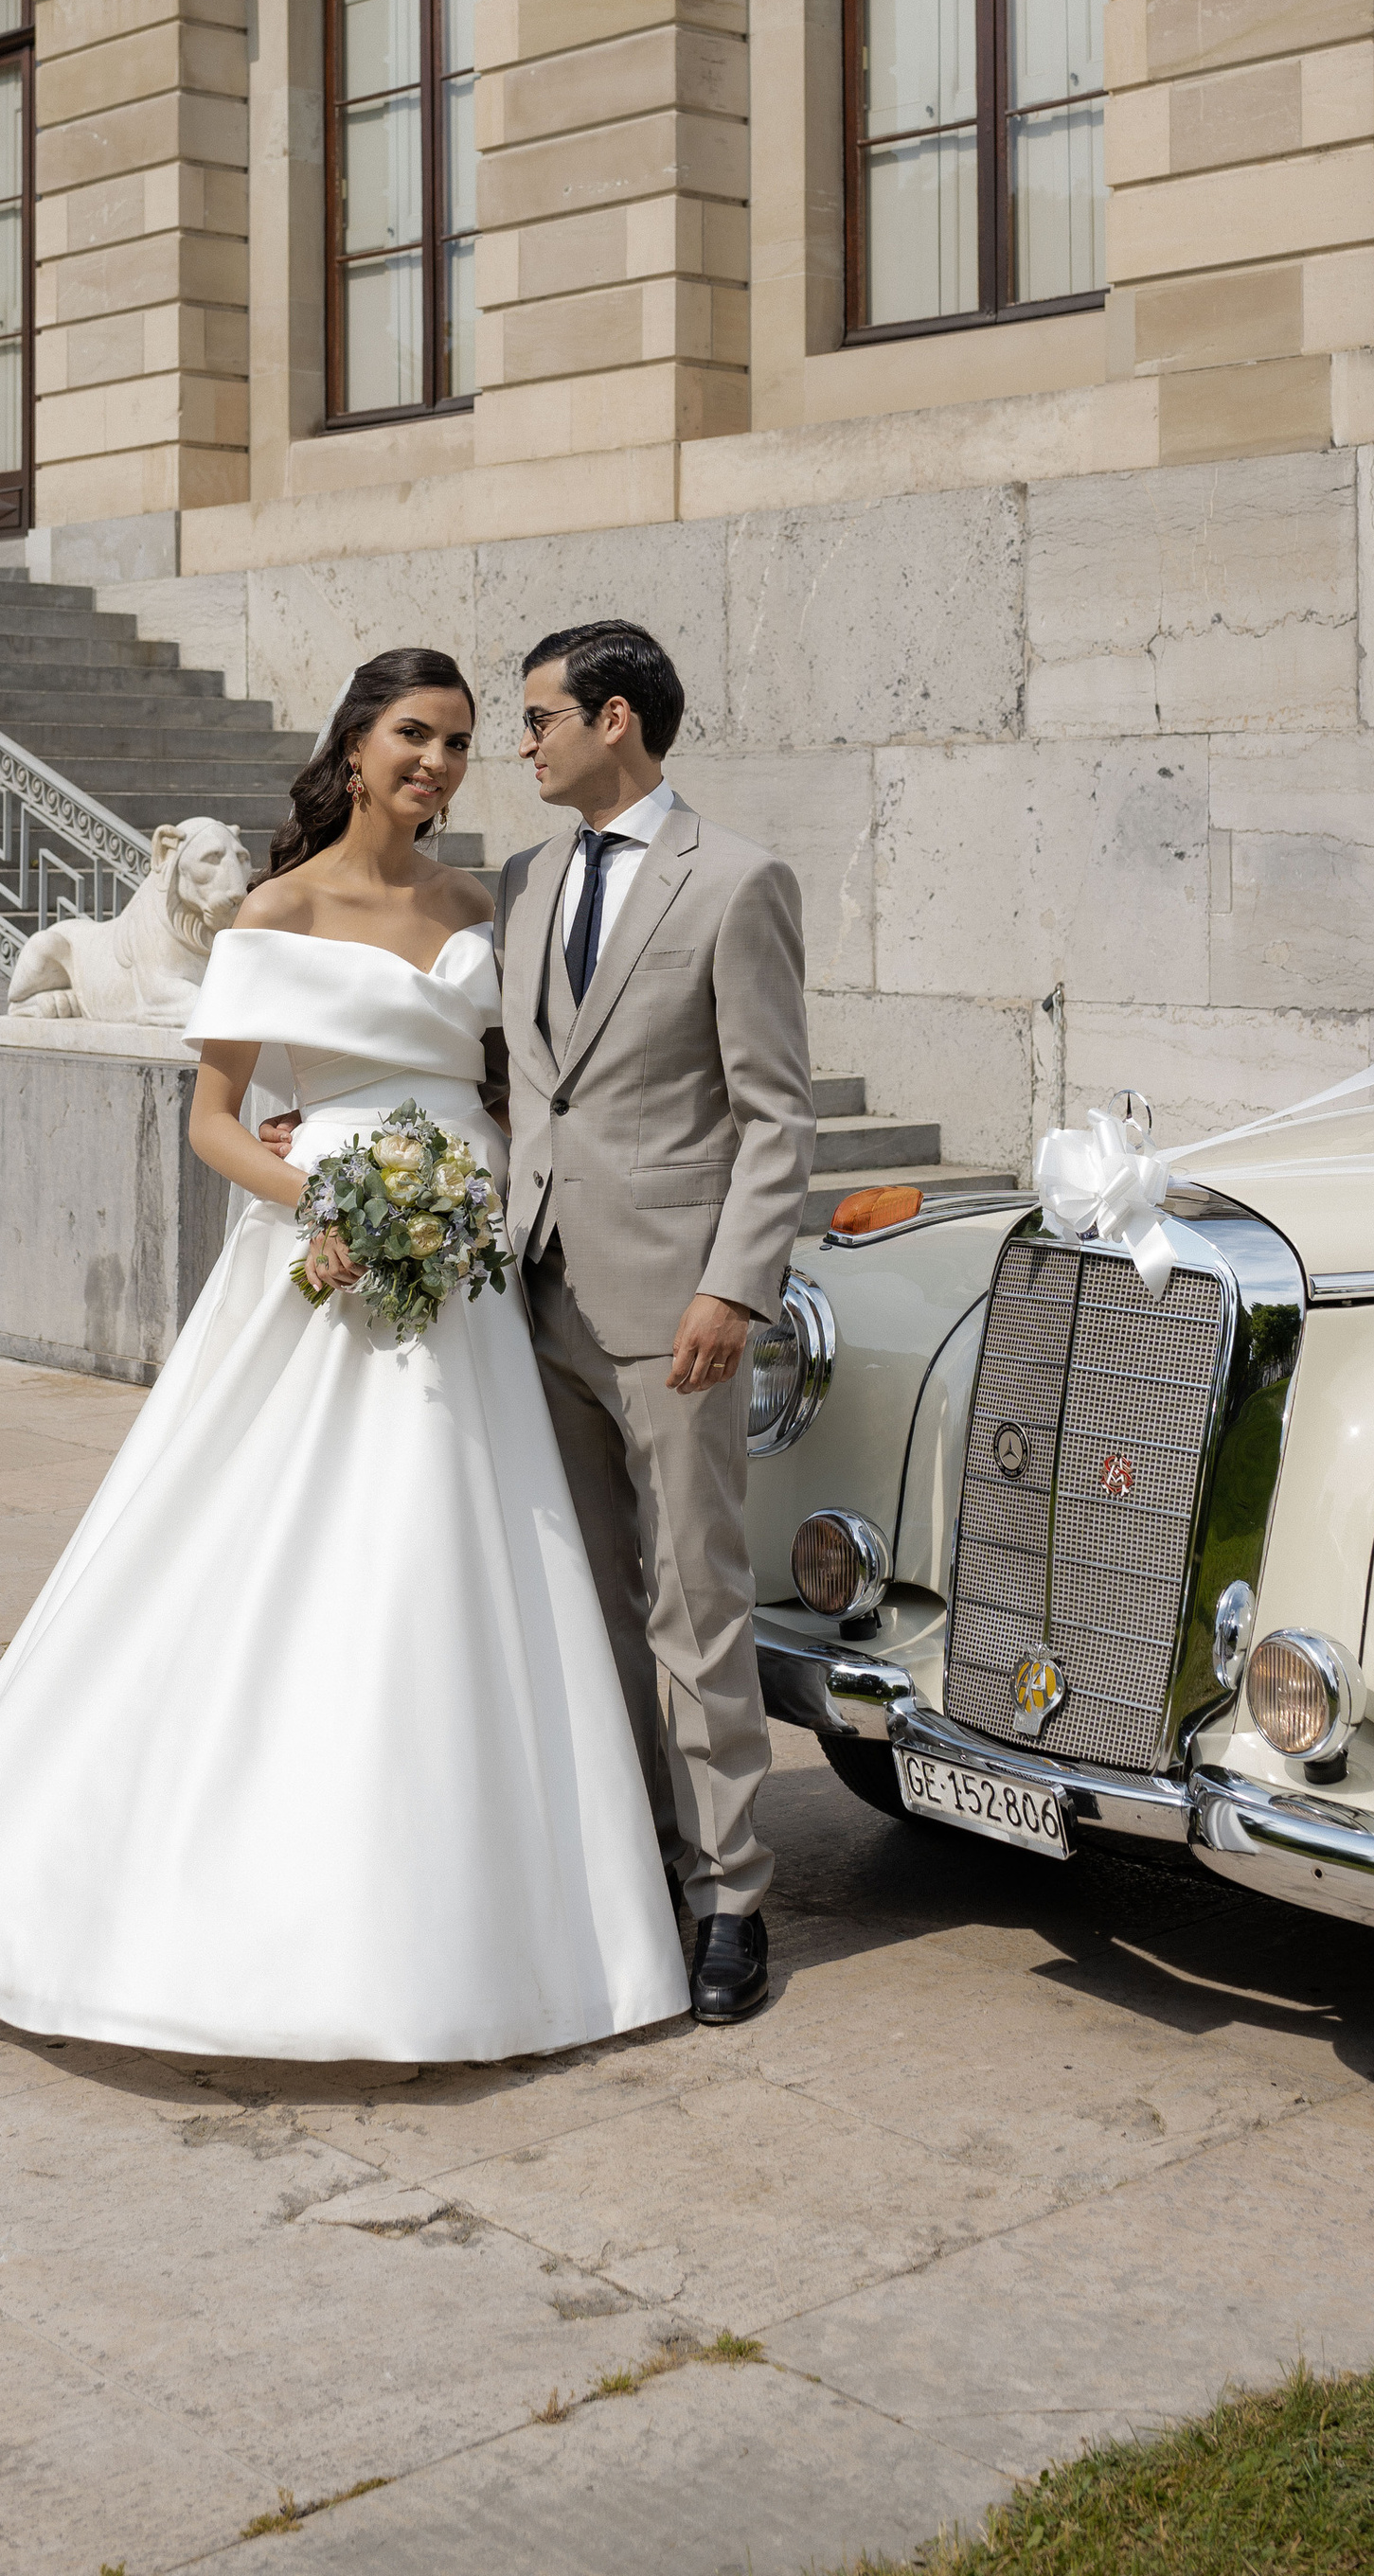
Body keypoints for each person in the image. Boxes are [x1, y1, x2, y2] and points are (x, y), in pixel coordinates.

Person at [0, 649, 688, 2063]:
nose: (441, 764)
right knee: (262, 1544)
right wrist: (324, 1203)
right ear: (354, 746)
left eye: (463, 742)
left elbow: (539, 1076)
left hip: (461, 1265)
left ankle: (502, 1917)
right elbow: (218, 1120)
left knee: (463, 1551)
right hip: (321, 1252)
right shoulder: (272, 910)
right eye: (415, 735)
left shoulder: (484, 907)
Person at [499, 622, 815, 2026]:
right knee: (589, 1604)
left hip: (673, 1307)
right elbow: (511, 1076)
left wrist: (733, 1285)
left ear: (612, 720)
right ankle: (633, 1858)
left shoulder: (737, 883)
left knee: (697, 1604)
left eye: (538, 718)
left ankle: (729, 1894)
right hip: (535, 1292)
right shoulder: (521, 881)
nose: (522, 743)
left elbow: (775, 1110)